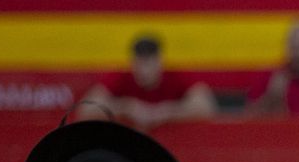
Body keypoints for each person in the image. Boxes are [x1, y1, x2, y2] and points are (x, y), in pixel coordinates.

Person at [79, 34, 216, 131]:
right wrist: (128, 108)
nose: (144, 71)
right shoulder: (121, 76)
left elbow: (206, 107)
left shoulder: (176, 75)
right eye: (140, 64)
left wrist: (165, 112)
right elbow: (86, 108)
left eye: (149, 64)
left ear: (160, 61)